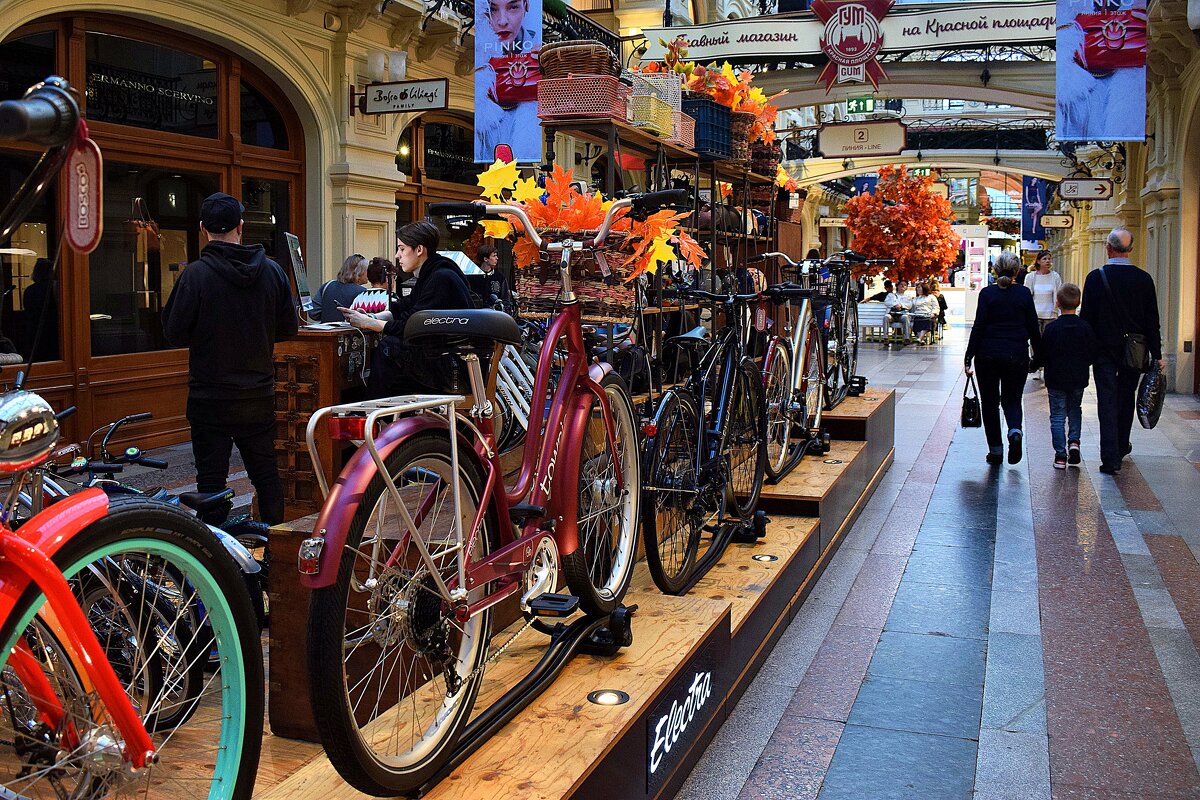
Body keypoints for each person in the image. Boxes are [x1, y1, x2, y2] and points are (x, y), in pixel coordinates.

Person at [162, 192, 297, 525]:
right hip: (258, 394)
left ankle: (215, 560)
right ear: (241, 226)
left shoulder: (195, 275)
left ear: (203, 229)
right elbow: (288, 328)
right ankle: (272, 551)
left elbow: (173, 332)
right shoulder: (273, 272)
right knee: (266, 476)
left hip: (211, 396)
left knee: (210, 482)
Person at [339, 221, 474, 396]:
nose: (397, 255)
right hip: (450, 363)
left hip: (454, 371)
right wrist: (374, 316)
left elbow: (413, 326)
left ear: (419, 250)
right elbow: (406, 306)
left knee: (389, 348)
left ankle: (375, 416)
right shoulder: (435, 272)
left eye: (402, 249)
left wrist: (371, 323)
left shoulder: (440, 277)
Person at [1080, 228, 1163, 475]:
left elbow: (1087, 318)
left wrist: (1086, 352)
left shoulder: (1096, 277)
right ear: (1132, 249)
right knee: (1126, 396)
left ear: (1108, 247)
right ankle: (1120, 446)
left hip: (1103, 350)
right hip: (1134, 350)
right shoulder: (1144, 279)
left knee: (1106, 400)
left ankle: (1110, 458)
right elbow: (1152, 321)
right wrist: (1157, 354)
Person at [964, 252, 1040, 465]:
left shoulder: (987, 294)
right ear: (1017, 271)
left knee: (990, 403)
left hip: (987, 354)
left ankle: (995, 451)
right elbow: (1033, 327)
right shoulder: (1024, 294)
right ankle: (1015, 431)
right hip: (1016, 353)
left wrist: (969, 356)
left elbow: (979, 326)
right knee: (1012, 399)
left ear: (995, 270)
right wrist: (1039, 356)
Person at [1034, 283, 1096, 470]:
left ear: (1057, 302)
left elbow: (1043, 354)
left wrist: (1037, 364)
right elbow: (1092, 352)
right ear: (1079, 303)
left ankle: (1060, 455)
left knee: (1058, 416)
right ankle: (1074, 442)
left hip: (1056, 378)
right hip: (1078, 377)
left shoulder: (1052, 329)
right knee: (1075, 409)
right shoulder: (1085, 327)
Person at [1024, 250, 1063, 380]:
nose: (1047, 261)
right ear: (1039, 261)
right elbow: (1027, 296)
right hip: (1035, 315)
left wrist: (1058, 312)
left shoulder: (1055, 277)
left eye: (1049, 259)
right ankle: (1036, 367)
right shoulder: (1031, 277)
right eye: (1045, 259)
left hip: (1050, 315)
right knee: (1035, 343)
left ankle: (1048, 367)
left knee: (1049, 343)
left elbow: (1058, 295)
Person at [311, 254, 367, 322]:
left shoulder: (327, 285)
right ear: (359, 273)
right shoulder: (363, 292)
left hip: (326, 330)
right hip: (352, 331)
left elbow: (313, 313)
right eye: (367, 270)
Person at [23, 258, 57, 362]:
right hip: (54, 331)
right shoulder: (57, 287)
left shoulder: (30, 290)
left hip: (36, 331)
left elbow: (28, 312)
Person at [478, 244, 513, 314]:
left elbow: (506, 299)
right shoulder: (473, 276)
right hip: (477, 315)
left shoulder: (500, 277)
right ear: (485, 259)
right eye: (494, 256)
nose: (497, 258)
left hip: (495, 316)